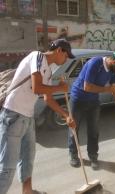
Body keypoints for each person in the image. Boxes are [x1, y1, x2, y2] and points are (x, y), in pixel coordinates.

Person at [0, 39, 76, 194]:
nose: (66, 59)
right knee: (7, 167)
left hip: (27, 118)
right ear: (59, 50)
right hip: (13, 115)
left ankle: (27, 191)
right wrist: (60, 87)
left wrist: (65, 115)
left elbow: (47, 98)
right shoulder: (38, 56)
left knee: (27, 159)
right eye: (66, 56)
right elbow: (37, 88)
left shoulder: (48, 71)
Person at [68, 50, 115, 170]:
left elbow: (114, 89)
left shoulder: (112, 71)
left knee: (94, 130)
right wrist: (108, 90)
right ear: (114, 62)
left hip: (93, 101)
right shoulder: (95, 63)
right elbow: (87, 87)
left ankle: (93, 156)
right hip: (78, 98)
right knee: (74, 128)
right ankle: (74, 155)